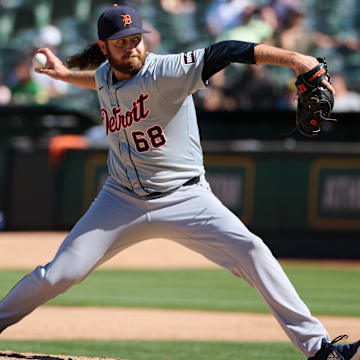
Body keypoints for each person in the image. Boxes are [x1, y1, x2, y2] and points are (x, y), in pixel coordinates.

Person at [0, 4, 358, 360]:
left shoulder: (166, 70)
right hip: (119, 200)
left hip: (186, 199)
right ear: (104, 46)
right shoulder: (106, 74)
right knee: (57, 276)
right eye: (122, 42)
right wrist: (63, 75)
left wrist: (295, 59)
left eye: (137, 39)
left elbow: (227, 51)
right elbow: (98, 79)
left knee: (253, 251)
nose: (133, 47)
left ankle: (319, 349)